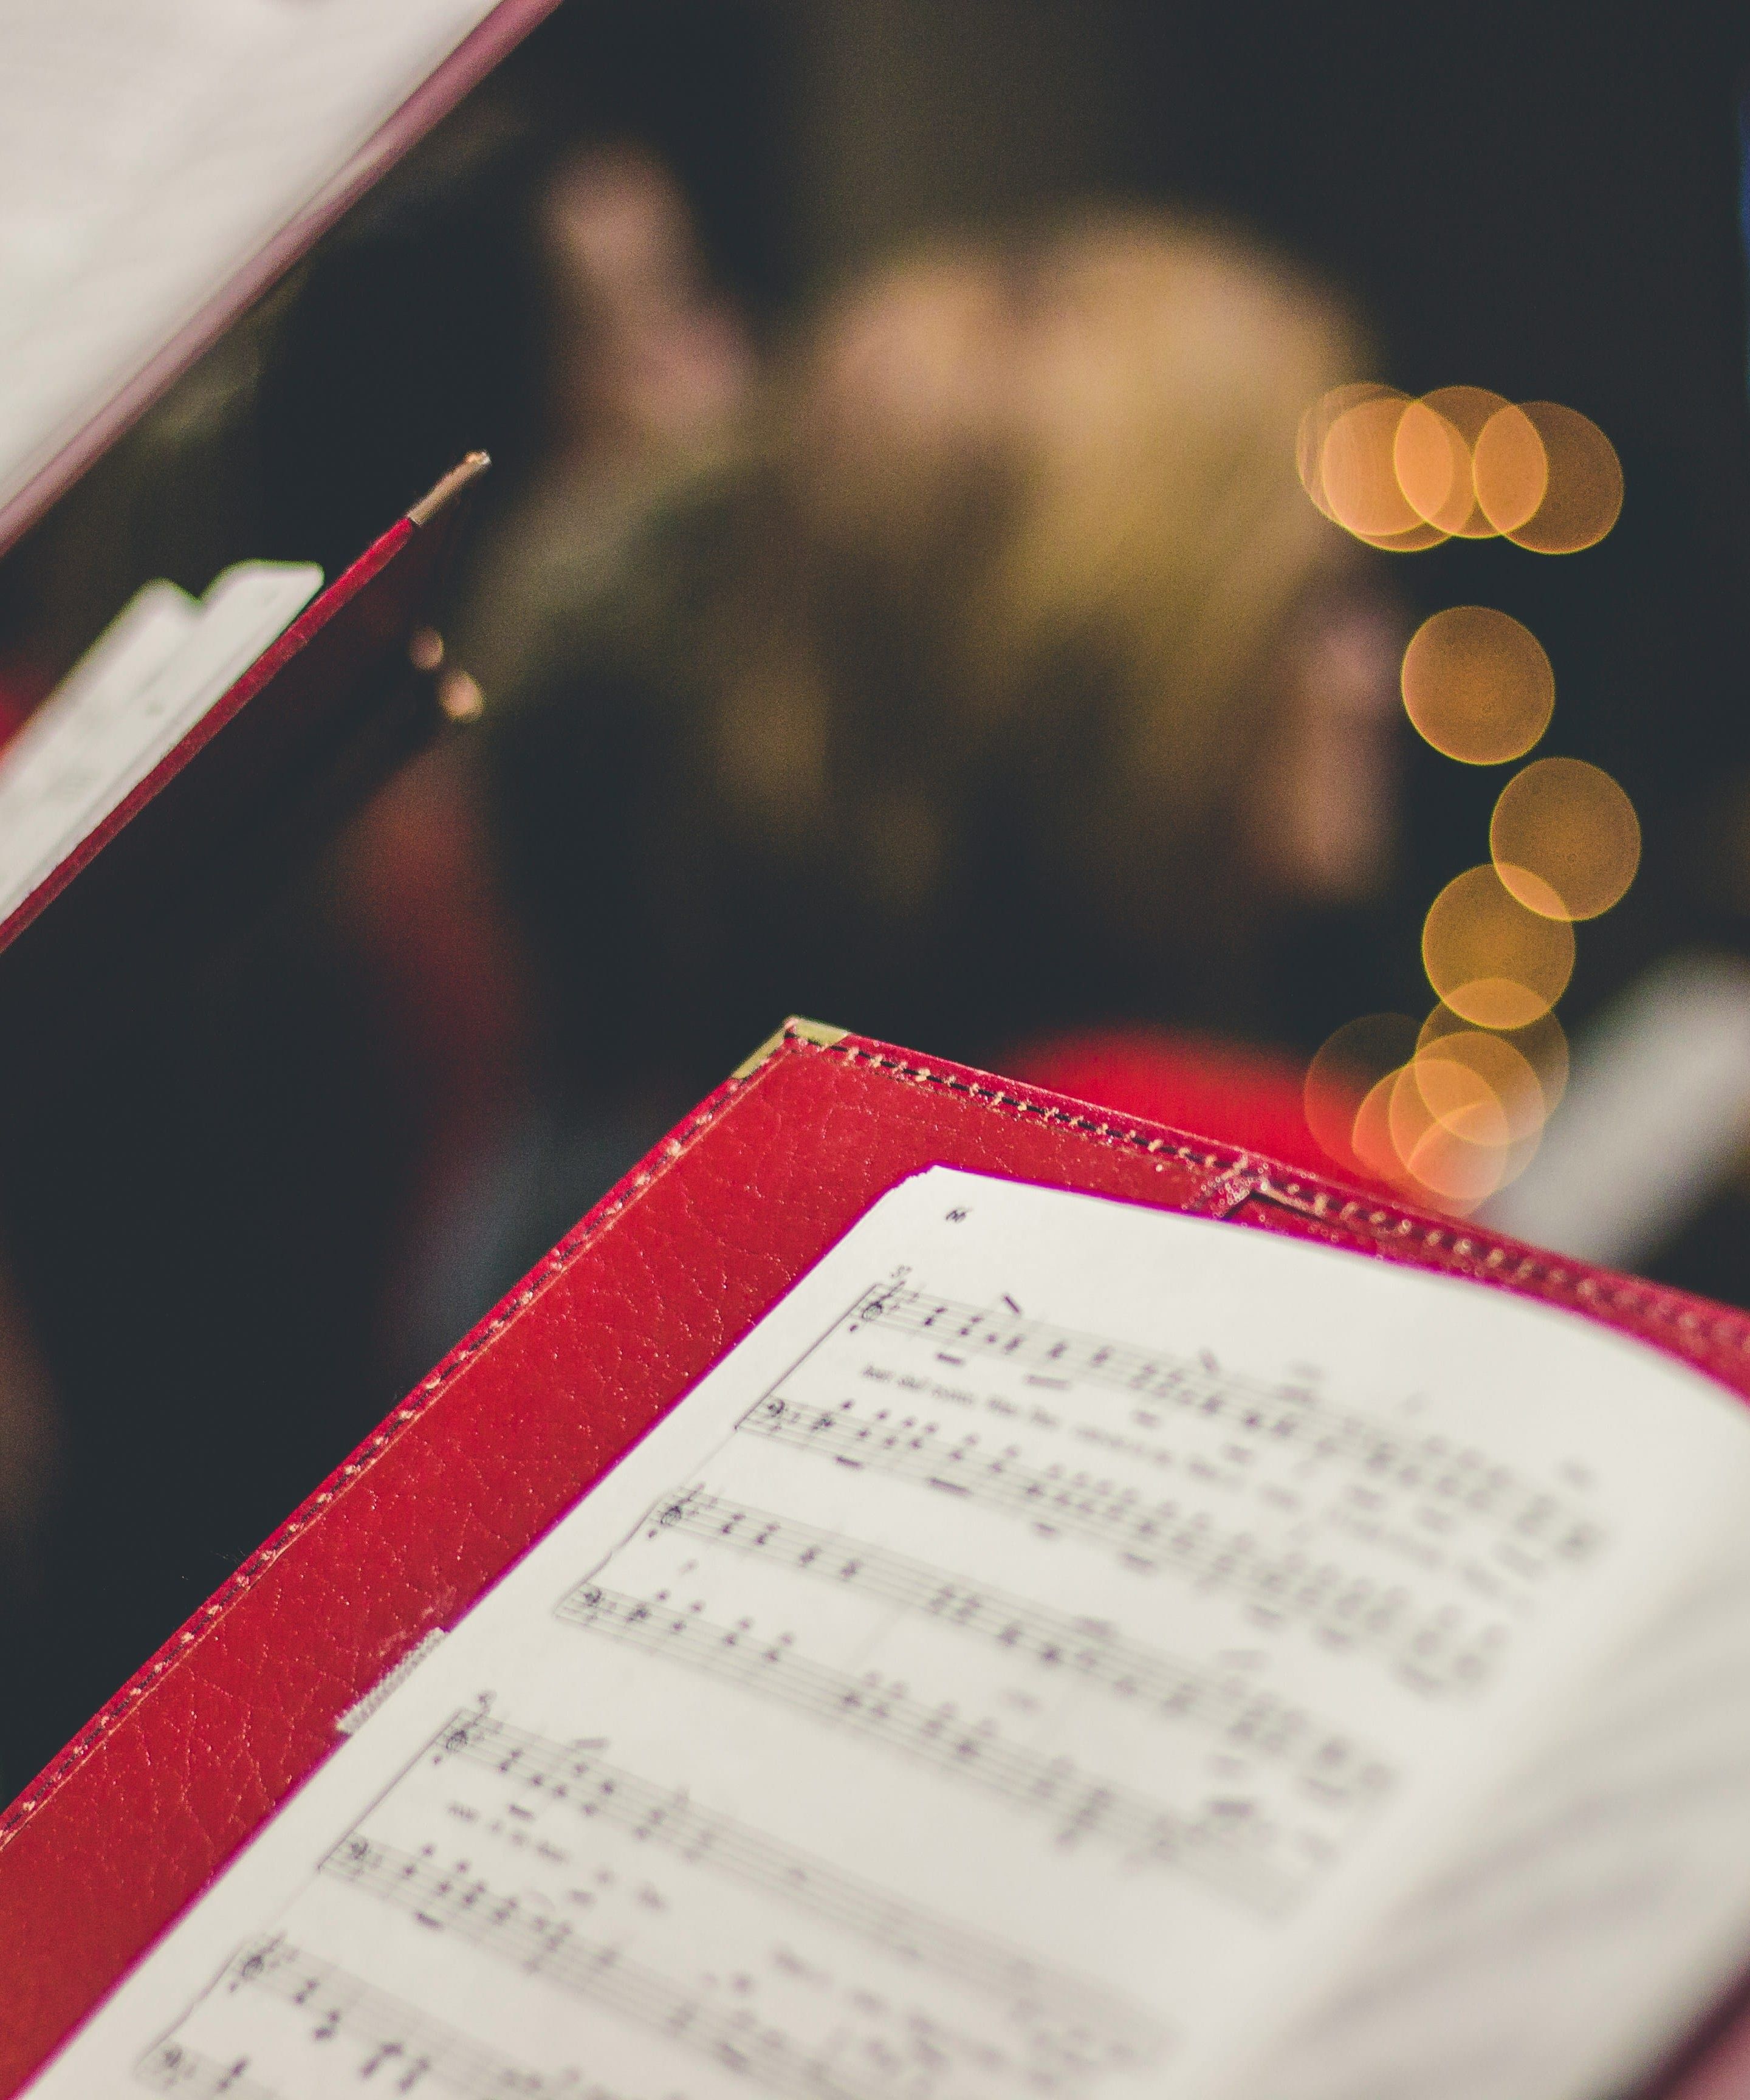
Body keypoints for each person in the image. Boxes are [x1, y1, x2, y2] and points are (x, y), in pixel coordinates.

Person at [479, 210, 1402, 1155]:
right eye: (1317, 604)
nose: (1377, 673)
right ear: (1131, 670)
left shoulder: (754, 1126)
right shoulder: (1242, 1159)